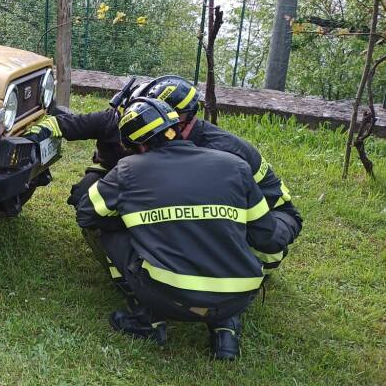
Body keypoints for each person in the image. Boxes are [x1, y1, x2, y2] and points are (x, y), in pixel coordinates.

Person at [74, 97, 292, 360]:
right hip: (238, 296)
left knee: (108, 233)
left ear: (138, 145)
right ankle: (225, 327)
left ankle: (146, 319)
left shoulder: (129, 169)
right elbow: (266, 237)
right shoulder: (235, 166)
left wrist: (136, 221)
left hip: (166, 296)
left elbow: (86, 214)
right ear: (177, 127)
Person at [24, 74, 302, 270]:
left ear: (181, 119)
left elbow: (270, 210)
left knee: (248, 240)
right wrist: (37, 132)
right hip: (138, 188)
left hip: (256, 214)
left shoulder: (226, 152)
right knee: (88, 196)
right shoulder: (126, 120)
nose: (140, 116)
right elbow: (69, 124)